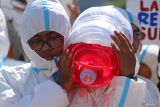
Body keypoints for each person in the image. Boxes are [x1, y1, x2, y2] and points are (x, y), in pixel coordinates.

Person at [65, 6, 157, 107]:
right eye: (127, 32)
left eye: (137, 34)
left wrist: (129, 79)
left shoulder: (150, 87)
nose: (132, 40)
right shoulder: (81, 83)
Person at [0, 0, 74, 107]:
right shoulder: (9, 79)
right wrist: (60, 88)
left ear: (65, 34)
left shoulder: (86, 74)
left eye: (53, 38)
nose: (45, 47)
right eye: (36, 41)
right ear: (26, 42)